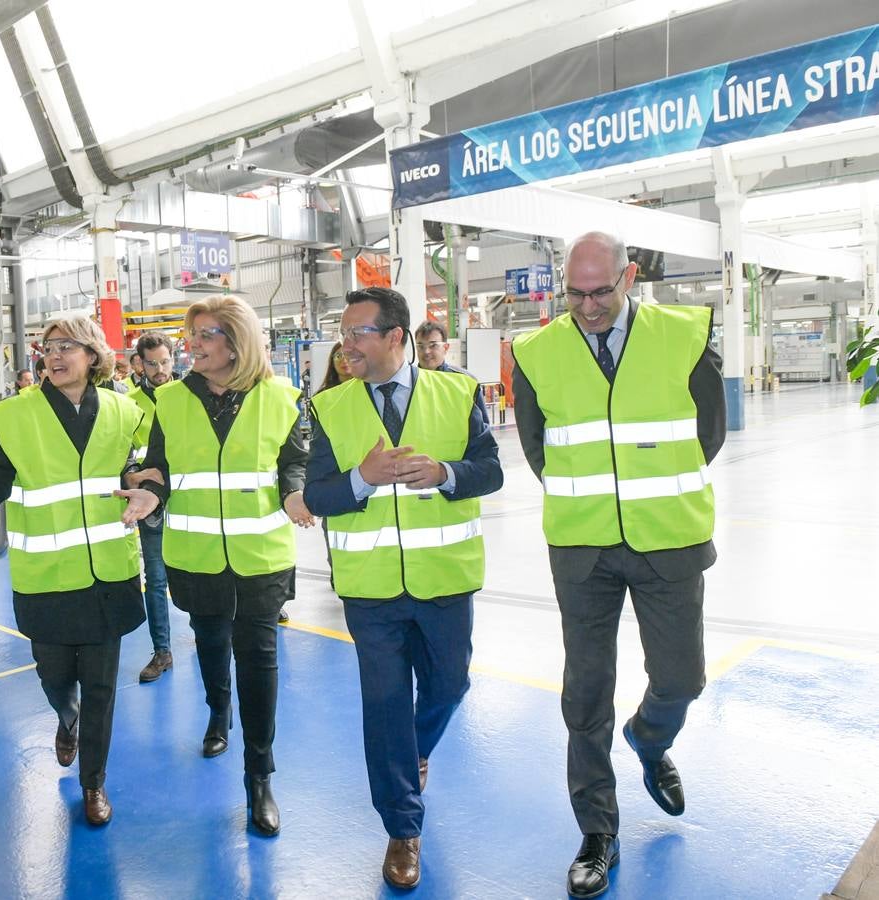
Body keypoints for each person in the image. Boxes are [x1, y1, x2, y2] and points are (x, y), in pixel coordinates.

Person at [511, 231, 726, 900]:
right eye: (573, 293)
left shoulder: (682, 336)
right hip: (582, 547)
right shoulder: (535, 353)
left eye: (600, 291)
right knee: (584, 694)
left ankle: (648, 737)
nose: (587, 305)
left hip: (666, 539)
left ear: (628, 277)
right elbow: (536, 447)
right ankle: (597, 833)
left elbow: (707, 434)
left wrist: (645, 485)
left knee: (680, 679)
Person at [304, 287, 502, 890]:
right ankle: (402, 826)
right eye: (344, 333)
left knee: (450, 682)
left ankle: (413, 751)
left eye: (359, 332)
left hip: (444, 581)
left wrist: (445, 474)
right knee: (385, 704)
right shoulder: (327, 407)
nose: (347, 345)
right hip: (371, 591)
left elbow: (489, 470)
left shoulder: (458, 392)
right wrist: (360, 481)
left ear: (396, 337)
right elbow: (316, 496)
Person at [0, 316, 158, 828]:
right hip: (47, 576)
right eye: (48, 347)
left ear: (93, 355)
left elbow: (139, 471)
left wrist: (149, 487)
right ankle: (67, 718)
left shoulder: (125, 410)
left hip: (109, 571)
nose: (55, 355)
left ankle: (94, 784)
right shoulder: (12, 415)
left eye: (68, 346)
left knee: (103, 686)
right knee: (55, 676)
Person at [137, 295, 313, 837]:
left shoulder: (282, 397)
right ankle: (218, 712)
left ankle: (259, 776)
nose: (194, 343)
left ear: (238, 342)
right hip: (197, 556)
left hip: (260, 557)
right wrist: (150, 493)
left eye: (207, 334)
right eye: (193, 333)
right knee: (211, 643)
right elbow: (158, 466)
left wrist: (295, 493)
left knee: (258, 659)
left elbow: (295, 461)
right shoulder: (169, 399)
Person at [125, 332, 180, 683]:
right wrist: (132, 475)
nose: (160, 369)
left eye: (164, 361)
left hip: (192, 502)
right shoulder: (128, 405)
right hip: (151, 505)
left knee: (208, 576)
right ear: (139, 364)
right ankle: (162, 651)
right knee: (156, 580)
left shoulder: (189, 397)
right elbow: (121, 454)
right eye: (152, 363)